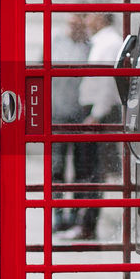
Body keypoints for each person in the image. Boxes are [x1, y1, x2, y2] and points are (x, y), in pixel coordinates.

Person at [60, 13, 125, 241]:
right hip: (91, 110)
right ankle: (82, 221)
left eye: (90, 17)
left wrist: (97, 114)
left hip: (98, 112)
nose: (86, 21)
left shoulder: (109, 43)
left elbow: (108, 82)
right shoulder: (100, 42)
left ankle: (86, 223)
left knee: (91, 170)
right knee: (83, 168)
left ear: (101, 18)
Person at [50, 14, 89, 232]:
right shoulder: (55, 42)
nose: (73, 28)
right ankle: (57, 213)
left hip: (81, 115)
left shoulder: (90, 46)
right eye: (71, 24)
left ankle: (75, 214)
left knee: (81, 169)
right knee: (57, 167)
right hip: (57, 115)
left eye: (77, 24)